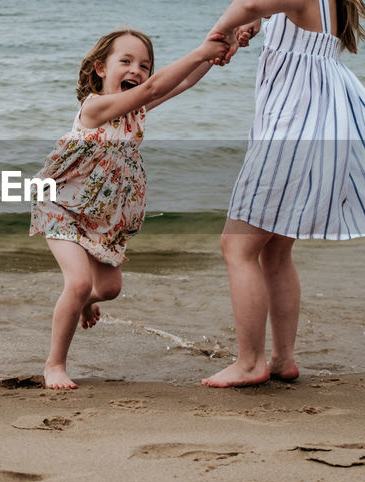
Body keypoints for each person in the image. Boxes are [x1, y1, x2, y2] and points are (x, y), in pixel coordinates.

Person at [201, 0, 365, 388]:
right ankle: (283, 359)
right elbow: (272, 16)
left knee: (237, 247)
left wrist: (214, 35)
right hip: (312, 135)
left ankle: (250, 361)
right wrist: (258, 28)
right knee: (275, 254)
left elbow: (250, 0)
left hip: (291, 137)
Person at [31, 28, 227, 389]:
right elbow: (154, 88)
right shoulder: (95, 106)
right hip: (63, 205)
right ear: (100, 69)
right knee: (77, 283)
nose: (137, 70)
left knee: (107, 290)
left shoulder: (135, 109)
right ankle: (54, 365)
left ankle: (82, 300)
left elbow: (180, 84)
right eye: (125, 61)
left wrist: (216, 53)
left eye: (144, 65)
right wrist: (201, 51)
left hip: (104, 215)